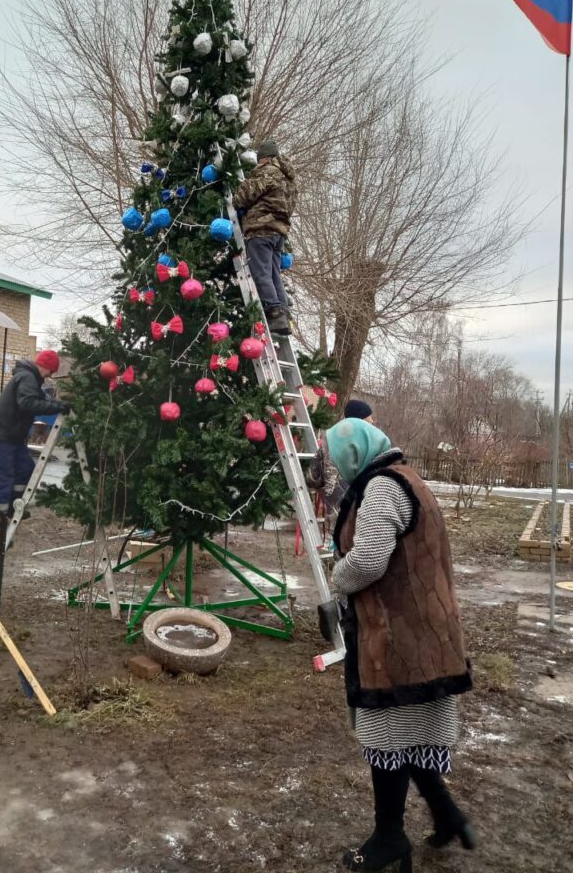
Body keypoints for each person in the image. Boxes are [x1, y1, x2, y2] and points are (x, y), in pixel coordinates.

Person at [324, 417, 475, 872]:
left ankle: (389, 839)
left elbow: (369, 560)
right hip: (420, 633)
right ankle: (447, 816)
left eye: (338, 457)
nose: (337, 466)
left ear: (354, 454)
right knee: (406, 736)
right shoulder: (406, 477)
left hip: (399, 640)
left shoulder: (383, 488)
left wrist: (337, 577)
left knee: (389, 738)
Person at [0, 350, 70, 516]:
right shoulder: (27, 377)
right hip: (0, 438)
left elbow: (40, 400)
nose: (50, 375)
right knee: (2, 481)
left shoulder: (31, 379)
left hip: (11, 438)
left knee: (25, 469)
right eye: (51, 371)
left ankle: (13, 507)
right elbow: (28, 403)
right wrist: (58, 407)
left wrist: (58, 403)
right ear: (44, 366)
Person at [232, 138, 297, 335]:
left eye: (259, 160)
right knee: (274, 273)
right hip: (279, 233)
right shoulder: (289, 181)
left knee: (260, 272)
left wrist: (240, 191)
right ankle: (283, 313)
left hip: (261, 229)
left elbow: (242, 198)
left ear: (265, 159)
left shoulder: (268, 172)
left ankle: (274, 311)